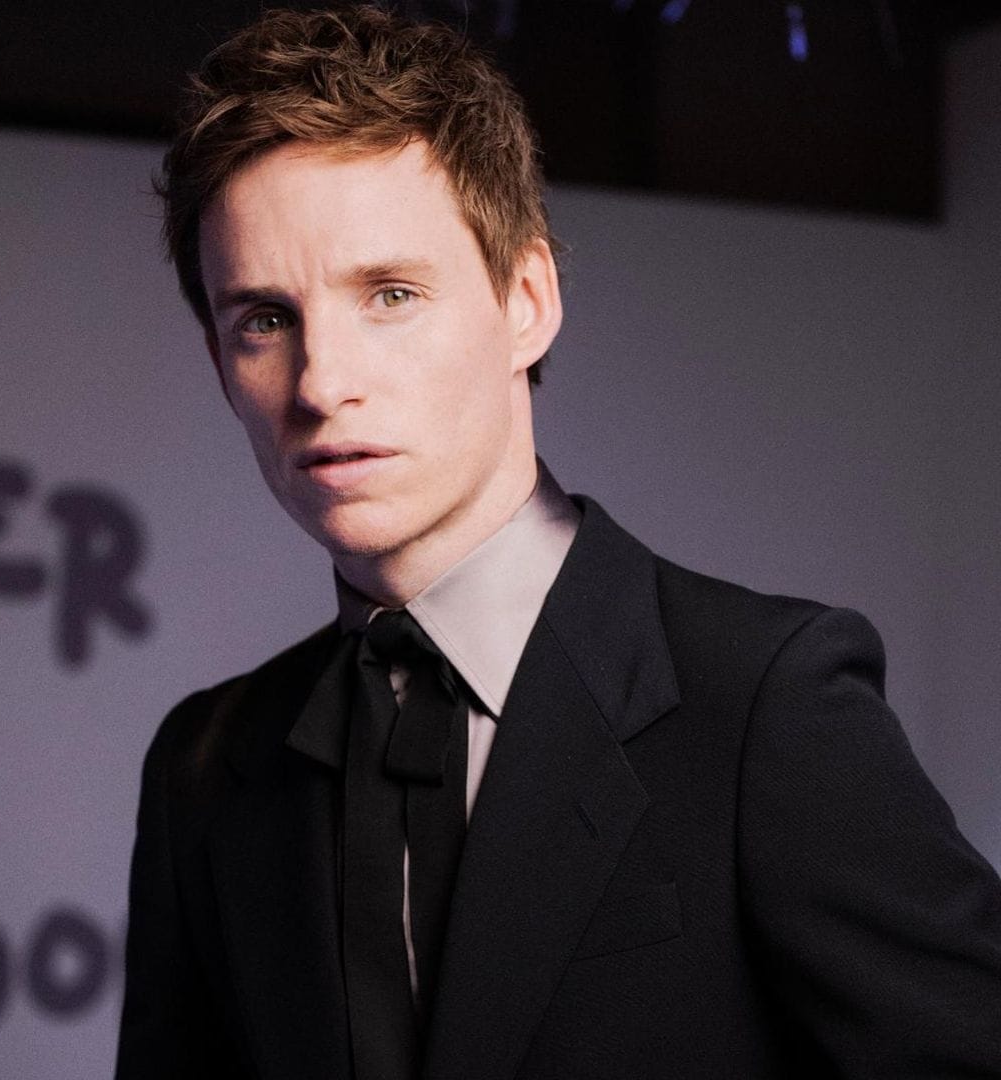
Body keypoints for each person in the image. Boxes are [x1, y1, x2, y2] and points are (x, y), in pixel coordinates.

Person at [115, 6, 1001, 1079]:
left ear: (528, 301)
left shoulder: (764, 703)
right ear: (219, 360)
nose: (320, 383)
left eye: (390, 294)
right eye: (264, 319)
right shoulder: (205, 769)